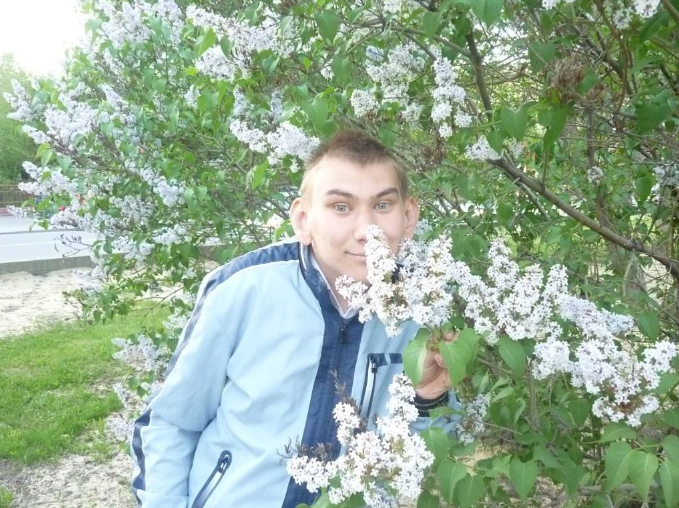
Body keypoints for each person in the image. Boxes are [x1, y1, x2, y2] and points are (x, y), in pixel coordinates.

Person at [131, 130, 459, 508]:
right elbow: (171, 424)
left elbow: (424, 450)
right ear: (303, 219)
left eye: (382, 205)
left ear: (408, 217)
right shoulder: (242, 290)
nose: (366, 231)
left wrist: (429, 398)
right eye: (341, 207)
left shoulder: (421, 309)